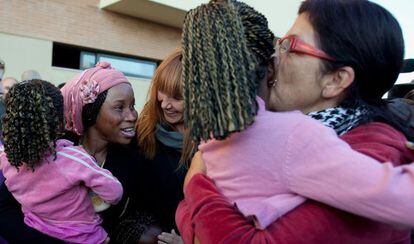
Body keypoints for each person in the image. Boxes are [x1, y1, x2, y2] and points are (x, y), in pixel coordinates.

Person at [176, 0, 414, 243]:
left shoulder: (376, 152)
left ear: (335, 79)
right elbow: (187, 212)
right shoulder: (267, 130)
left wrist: (196, 186)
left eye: (290, 45)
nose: (274, 56)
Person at [0, 62, 139, 243]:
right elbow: (4, 209)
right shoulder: (44, 147)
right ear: (91, 111)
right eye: (119, 107)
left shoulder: (134, 159)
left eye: (133, 106)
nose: (133, 116)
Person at [113, 49, 190, 244]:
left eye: (177, 97)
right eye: (161, 92)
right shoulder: (142, 131)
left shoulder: (214, 143)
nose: (165, 104)